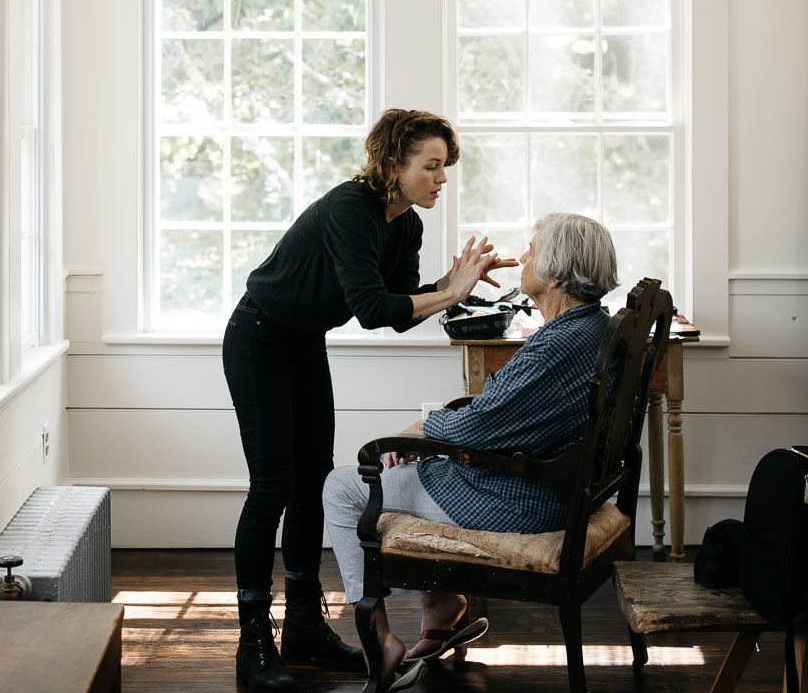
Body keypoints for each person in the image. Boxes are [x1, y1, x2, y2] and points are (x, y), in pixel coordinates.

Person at [223, 109, 503, 693]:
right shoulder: (350, 209)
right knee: (272, 486)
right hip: (258, 338)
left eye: (444, 167)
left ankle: (302, 627)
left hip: (301, 343)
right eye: (430, 166)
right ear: (393, 163)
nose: (441, 179)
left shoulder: (406, 227)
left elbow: (397, 308)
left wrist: (455, 289)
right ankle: (254, 641)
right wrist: (446, 292)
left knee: (312, 481)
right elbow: (375, 311)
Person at [319, 212, 621, 692]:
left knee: (341, 486)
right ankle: (442, 609)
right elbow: (506, 417)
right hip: (549, 487)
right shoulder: (592, 328)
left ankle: (380, 641)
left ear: (559, 273)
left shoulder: (558, 346)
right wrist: (436, 436)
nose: (523, 257)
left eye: (534, 250)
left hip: (521, 502)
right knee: (425, 460)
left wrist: (423, 429)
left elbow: (483, 427)